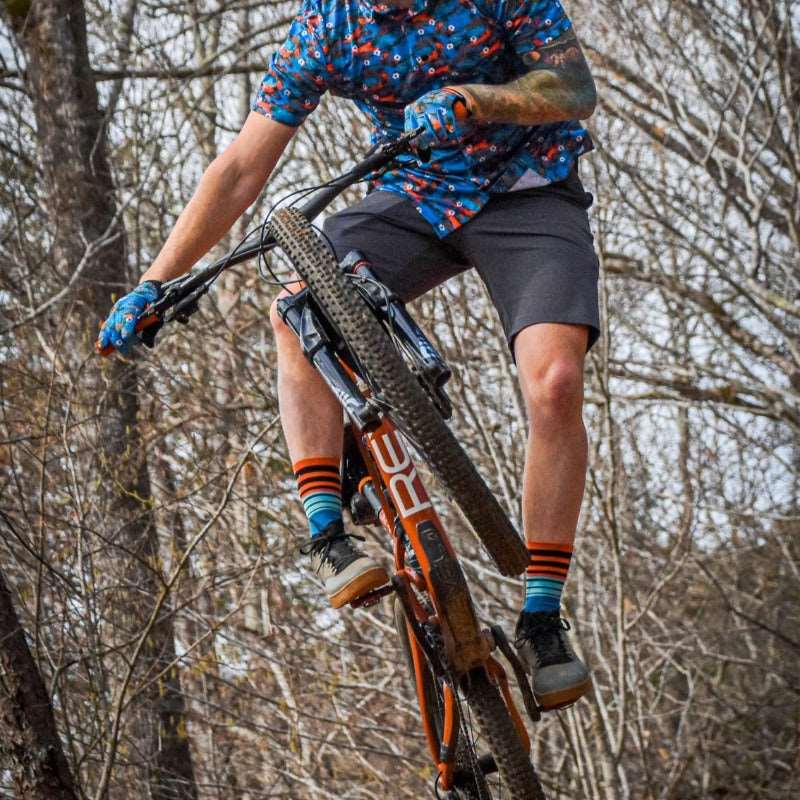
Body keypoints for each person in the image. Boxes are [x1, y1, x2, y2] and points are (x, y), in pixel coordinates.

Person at [99, 0, 598, 711]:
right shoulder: (327, 24)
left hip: (530, 190)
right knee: (296, 305)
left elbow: (573, 87)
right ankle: (329, 532)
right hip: (415, 196)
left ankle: (543, 618)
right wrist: (155, 282)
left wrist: (475, 100)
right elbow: (241, 167)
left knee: (556, 382)